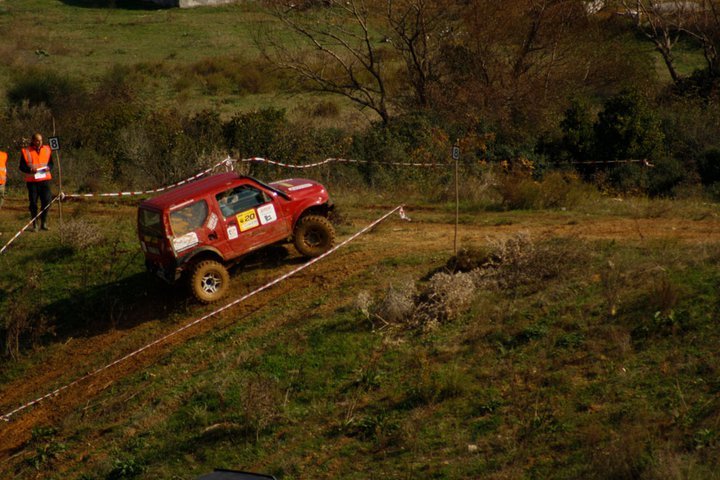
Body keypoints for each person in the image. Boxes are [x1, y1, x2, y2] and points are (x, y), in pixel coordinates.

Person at [19, 133, 53, 231]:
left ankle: (44, 222)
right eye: (38, 140)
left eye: (41, 140)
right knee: (33, 203)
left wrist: (49, 168)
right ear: (33, 140)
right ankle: (35, 224)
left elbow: (51, 163)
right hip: (32, 182)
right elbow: (21, 167)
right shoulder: (26, 151)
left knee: (47, 201)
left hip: (45, 180)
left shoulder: (47, 149)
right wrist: (30, 170)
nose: (40, 142)